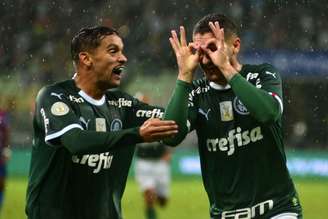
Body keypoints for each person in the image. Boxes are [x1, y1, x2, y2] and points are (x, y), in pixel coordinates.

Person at [25, 26, 178, 219]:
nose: (123, 58)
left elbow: (175, 121)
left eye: (122, 51)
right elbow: (75, 141)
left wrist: (185, 77)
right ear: (86, 58)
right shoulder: (54, 96)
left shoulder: (123, 104)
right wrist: (137, 134)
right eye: (113, 51)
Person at [164, 13, 303, 218]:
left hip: (277, 210)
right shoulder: (196, 93)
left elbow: (269, 113)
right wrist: (184, 76)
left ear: (235, 46)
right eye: (199, 51)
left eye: (212, 48)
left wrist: (226, 69)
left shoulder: (263, 74)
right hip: (225, 214)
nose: (205, 59)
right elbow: (171, 136)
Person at [134, 92, 171, 219]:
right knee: (148, 193)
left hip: (159, 162)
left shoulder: (156, 117)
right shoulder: (131, 119)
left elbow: (165, 135)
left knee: (163, 201)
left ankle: (158, 197)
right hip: (143, 162)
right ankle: (151, 214)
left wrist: (167, 153)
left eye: (144, 102)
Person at [0, 96, 11, 210]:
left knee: (1, 182)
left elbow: (7, 131)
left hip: (0, 154)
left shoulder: (2, 115)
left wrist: (6, 148)